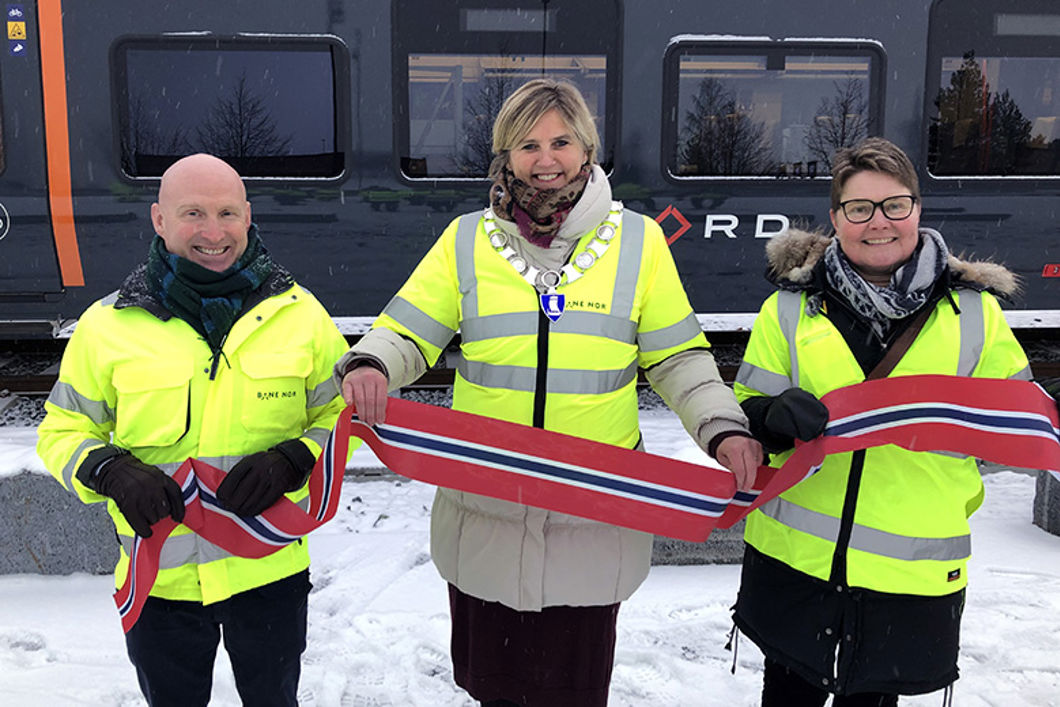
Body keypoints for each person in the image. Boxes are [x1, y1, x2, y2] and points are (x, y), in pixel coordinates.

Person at [335, 78, 762, 707]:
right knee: (494, 687)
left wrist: (722, 428)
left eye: (561, 140)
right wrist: (372, 362)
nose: (546, 159)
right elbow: (408, 331)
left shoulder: (639, 243)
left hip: (592, 516)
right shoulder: (466, 240)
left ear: (586, 147)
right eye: (527, 144)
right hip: (487, 510)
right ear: (506, 156)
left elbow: (680, 359)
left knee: (575, 691)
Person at [37, 154, 349, 707]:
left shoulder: (301, 315)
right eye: (192, 213)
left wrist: (296, 458)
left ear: (248, 216)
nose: (213, 232)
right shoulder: (106, 326)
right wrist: (107, 470)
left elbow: (340, 418)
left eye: (227, 212)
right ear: (159, 220)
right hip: (161, 578)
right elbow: (62, 428)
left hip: (267, 567)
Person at [732, 137, 1032, 706]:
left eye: (895, 205)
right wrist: (771, 417)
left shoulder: (975, 314)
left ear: (917, 209)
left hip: (909, 567)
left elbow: (1018, 425)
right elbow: (746, 408)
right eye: (859, 208)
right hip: (797, 562)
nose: (879, 223)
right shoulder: (791, 308)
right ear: (835, 218)